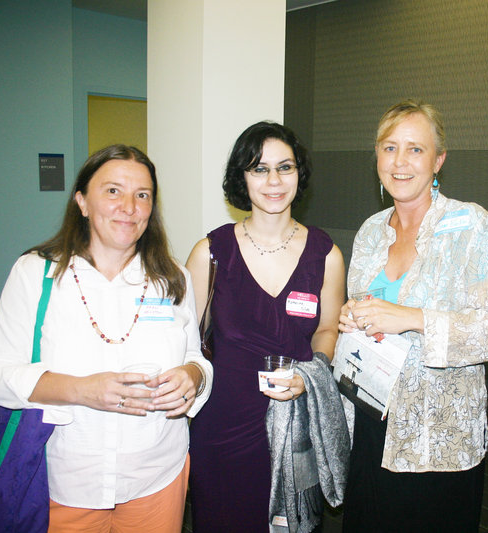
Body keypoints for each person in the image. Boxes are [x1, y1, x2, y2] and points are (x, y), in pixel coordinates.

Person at [0, 145, 213, 532]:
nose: (129, 207)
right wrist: (81, 390)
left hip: (156, 476)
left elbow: (196, 357)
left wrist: (193, 376)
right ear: (82, 202)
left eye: (143, 195)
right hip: (64, 480)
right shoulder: (35, 274)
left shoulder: (172, 278)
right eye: (113, 191)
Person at [338, 100, 488, 532]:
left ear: (438, 160)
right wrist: (352, 315)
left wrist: (414, 317)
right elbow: (371, 314)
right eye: (389, 148)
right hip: (370, 424)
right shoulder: (369, 233)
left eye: (415, 150)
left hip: (435, 441)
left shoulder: (471, 225)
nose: (400, 162)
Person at [185, 121, 349, 532]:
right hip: (221, 428)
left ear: (299, 174)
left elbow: (328, 328)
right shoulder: (211, 253)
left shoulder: (326, 254)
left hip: (294, 423)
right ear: (242, 177)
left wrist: (312, 370)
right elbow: (184, 341)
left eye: (285, 167)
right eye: (259, 169)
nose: (273, 181)